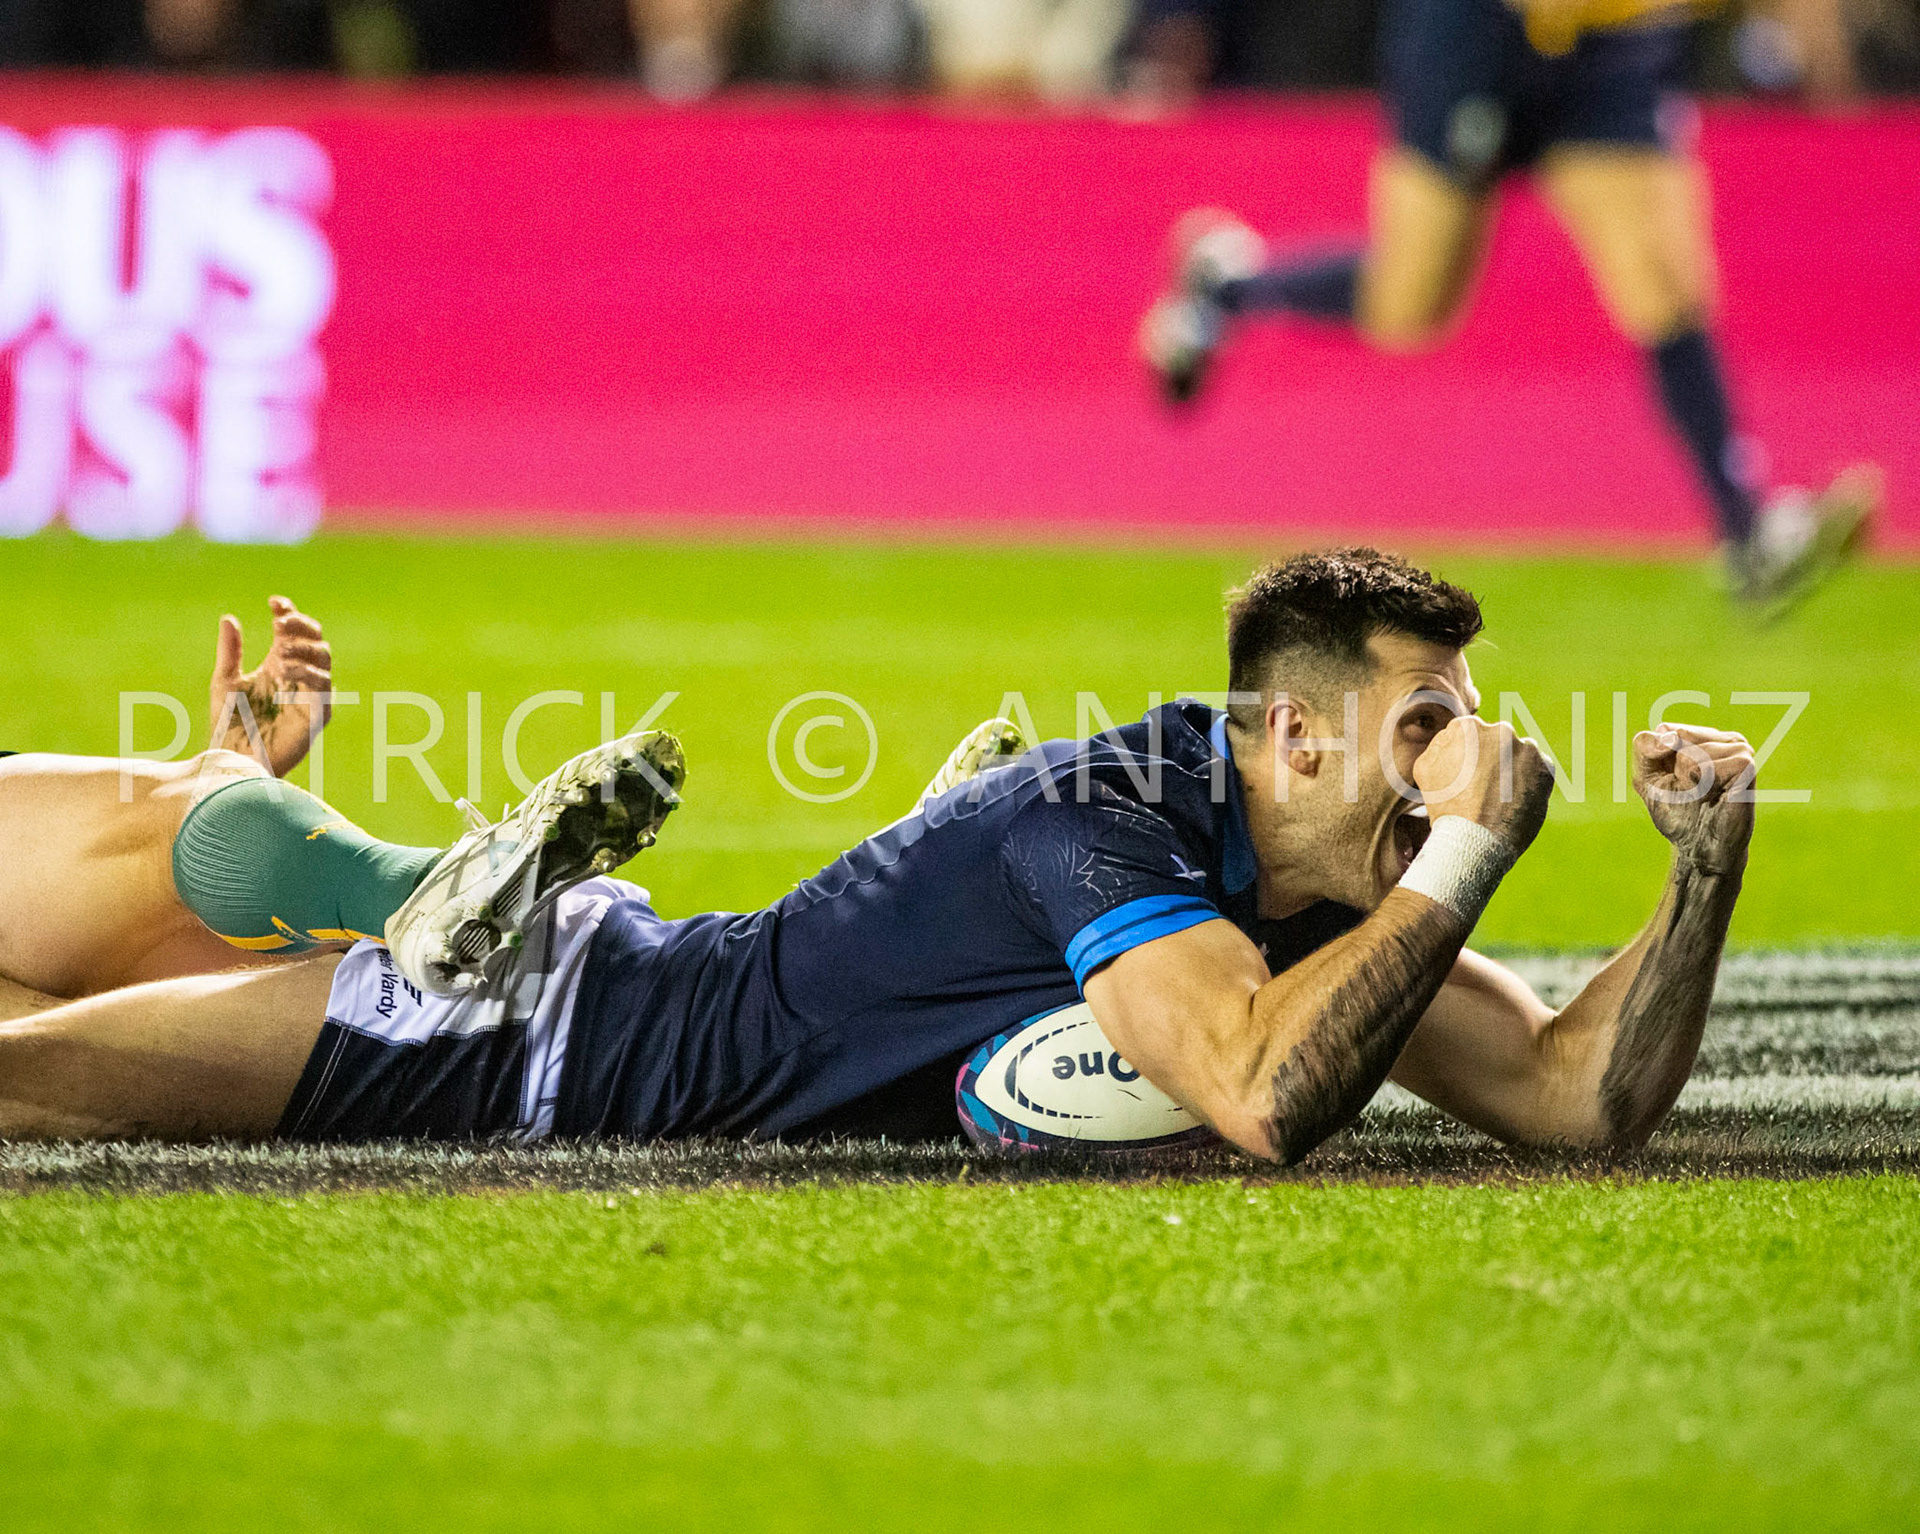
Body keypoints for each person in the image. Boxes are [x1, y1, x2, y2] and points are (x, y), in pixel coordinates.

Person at [0, 549, 1756, 1162]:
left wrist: (1703, 873)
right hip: (513, 1036)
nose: (1460, 763)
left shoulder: (1312, 893)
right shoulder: (1111, 814)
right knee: (27, 1078)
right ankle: (375, 878)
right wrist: (1469, 853)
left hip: (588, 984)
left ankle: (324, 854)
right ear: (1293, 738)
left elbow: (1571, 1093)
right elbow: (1258, 1092)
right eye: (1426, 723)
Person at [1137, 0, 1881, 612]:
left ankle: (1748, 533)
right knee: (1411, 303)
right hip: (1482, 33)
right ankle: (1224, 290)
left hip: (1613, 44)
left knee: (1667, 287)